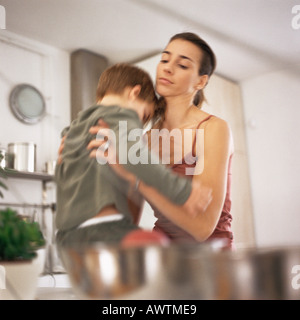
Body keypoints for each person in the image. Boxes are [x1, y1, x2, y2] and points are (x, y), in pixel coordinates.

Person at [88, 32, 234, 249]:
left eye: (182, 65)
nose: (167, 68)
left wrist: (137, 177)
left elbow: (202, 228)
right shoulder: (144, 141)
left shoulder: (213, 129)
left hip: (213, 263)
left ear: (201, 81)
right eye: (164, 59)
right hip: (167, 261)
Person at [55, 63, 212, 247]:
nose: (141, 125)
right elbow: (136, 157)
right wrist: (183, 191)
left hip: (67, 236)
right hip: (104, 230)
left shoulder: (72, 130)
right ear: (134, 93)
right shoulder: (122, 115)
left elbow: (62, 175)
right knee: (157, 246)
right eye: (144, 116)